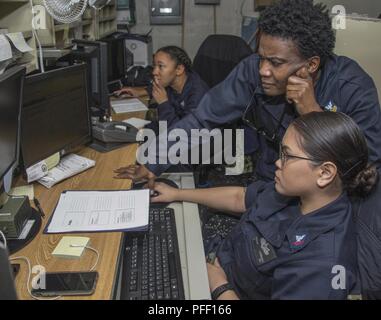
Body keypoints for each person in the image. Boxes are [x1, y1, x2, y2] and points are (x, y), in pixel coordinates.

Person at [116, 0, 381, 188]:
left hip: (331, 200)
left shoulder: (352, 87)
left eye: (275, 63)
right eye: (261, 57)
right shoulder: (251, 70)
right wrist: (153, 161)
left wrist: (313, 115)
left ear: (311, 65)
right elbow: (201, 120)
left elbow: (365, 167)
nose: (263, 70)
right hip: (272, 179)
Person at [150, 112, 379, 299]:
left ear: (325, 173)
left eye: (288, 156)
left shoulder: (321, 264)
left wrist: (220, 286)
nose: (278, 162)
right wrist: (176, 192)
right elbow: (239, 198)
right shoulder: (294, 192)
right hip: (217, 260)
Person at [114, 45, 209, 134]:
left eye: (161, 66)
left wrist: (163, 103)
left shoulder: (197, 94)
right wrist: (143, 91)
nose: (154, 72)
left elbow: (182, 133)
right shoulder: (172, 83)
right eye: (154, 65)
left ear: (179, 69)